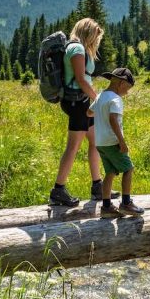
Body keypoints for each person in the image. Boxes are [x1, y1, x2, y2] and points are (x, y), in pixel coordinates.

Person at [48, 17, 115, 207]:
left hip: (83, 103)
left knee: (94, 141)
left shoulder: (78, 48)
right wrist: (98, 99)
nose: (96, 42)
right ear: (87, 33)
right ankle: (58, 191)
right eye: (94, 37)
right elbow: (81, 79)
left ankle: (97, 187)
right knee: (73, 147)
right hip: (78, 103)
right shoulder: (76, 49)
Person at [92, 67, 145, 218]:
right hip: (112, 141)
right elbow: (113, 119)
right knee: (128, 169)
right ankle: (126, 204)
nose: (127, 92)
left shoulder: (100, 96)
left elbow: (89, 112)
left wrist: (99, 112)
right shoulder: (116, 99)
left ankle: (106, 207)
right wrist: (122, 142)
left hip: (100, 142)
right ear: (121, 83)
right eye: (127, 88)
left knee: (110, 172)